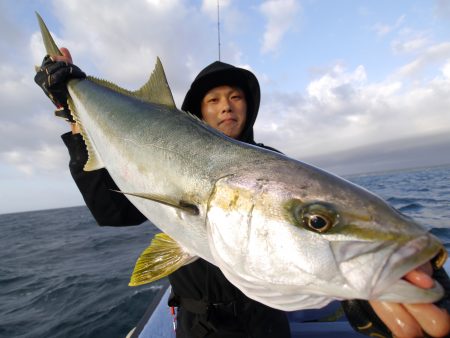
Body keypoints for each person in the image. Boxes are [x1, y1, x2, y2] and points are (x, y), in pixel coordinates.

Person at [35, 48, 450, 338]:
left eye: (235, 97)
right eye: (213, 99)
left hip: (266, 323)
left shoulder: (277, 168)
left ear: (248, 107)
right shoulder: (166, 146)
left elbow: (301, 239)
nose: (227, 106)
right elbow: (115, 213)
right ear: (198, 111)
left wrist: (364, 291)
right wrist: (74, 113)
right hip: (198, 327)